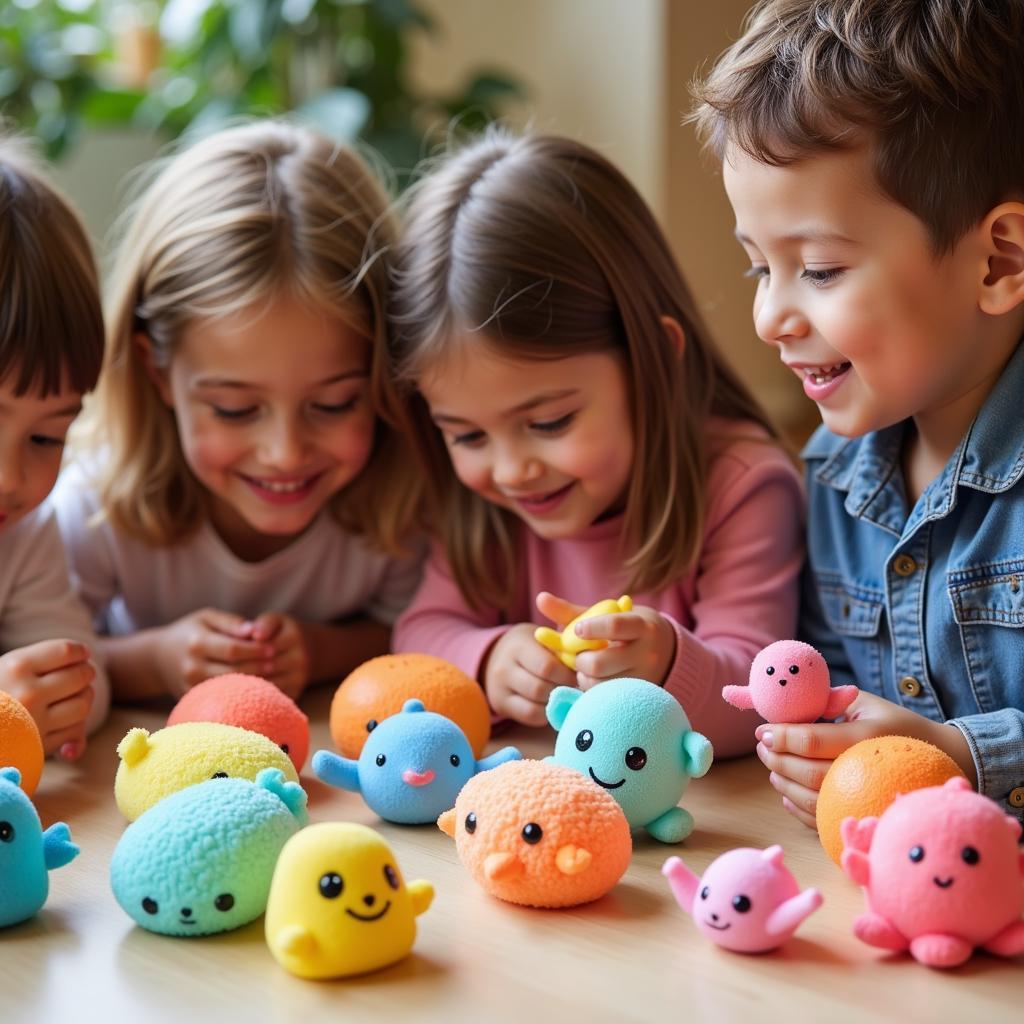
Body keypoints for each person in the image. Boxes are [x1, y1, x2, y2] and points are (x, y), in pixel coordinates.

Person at [692, 0, 1024, 822]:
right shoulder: (833, 480)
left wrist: (957, 759)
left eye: (821, 270)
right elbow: (824, 676)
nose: (771, 316)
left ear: (999, 260)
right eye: (757, 270)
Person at [387, 129, 804, 755]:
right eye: (466, 434)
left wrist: (667, 662)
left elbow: (763, 695)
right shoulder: (486, 508)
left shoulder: (743, 486)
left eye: (549, 422)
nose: (511, 469)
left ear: (654, 363)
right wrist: (488, 657)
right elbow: (418, 631)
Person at [53, 121, 423, 702]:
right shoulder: (99, 509)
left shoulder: (400, 511)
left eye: (333, 403)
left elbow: (418, 633)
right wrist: (154, 662)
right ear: (157, 373)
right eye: (233, 409)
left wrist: (324, 650)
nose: (285, 452)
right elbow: (39, 656)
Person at [0, 135, 109, 755]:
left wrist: (40, 707)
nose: (10, 477)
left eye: (47, 436)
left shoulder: (25, 532)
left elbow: (83, 682)